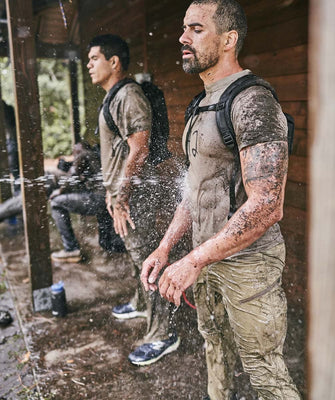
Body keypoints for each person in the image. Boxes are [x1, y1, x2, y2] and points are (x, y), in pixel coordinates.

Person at [141, 1, 301, 399]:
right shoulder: (201, 102)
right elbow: (195, 189)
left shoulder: (253, 102)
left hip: (248, 264)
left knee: (265, 372)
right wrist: (166, 248)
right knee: (214, 346)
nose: (182, 38)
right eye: (183, 28)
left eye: (196, 29)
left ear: (229, 40)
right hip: (206, 258)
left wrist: (193, 260)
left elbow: (267, 204)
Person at [87, 34, 178, 366]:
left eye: (94, 58)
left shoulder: (128, 95)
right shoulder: (113, 97)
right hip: (122, 196)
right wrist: (113, 195)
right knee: (134, 254)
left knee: (146, 261)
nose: (89, 65)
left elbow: (139, 148)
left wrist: (122, 197)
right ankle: (141, 303)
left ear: (114, 62)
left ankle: (163, 334)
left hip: (134, 196)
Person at [50, 141, 126, 262]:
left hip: (98, 199)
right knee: (106, 242)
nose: (74, 154)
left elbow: (72, 176)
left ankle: (71, 249)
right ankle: (127, 249)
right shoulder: (97, 156)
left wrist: (59, 191)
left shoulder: (84, 154)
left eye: (75, 151)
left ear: (79, 149)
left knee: (56, 203)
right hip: (107, 201)